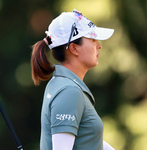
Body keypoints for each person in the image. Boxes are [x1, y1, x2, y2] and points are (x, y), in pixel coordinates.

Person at [31, 9, 115, 150]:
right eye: (93, 39)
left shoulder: (65, 85)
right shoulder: (69, 91)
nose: (99, 45)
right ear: (74, 48)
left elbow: (89, 140)